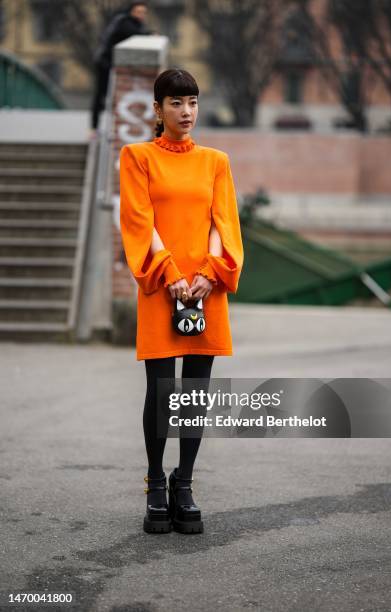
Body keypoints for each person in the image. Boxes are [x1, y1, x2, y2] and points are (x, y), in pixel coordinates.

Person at [119, 69, 244, 534]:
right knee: (160, 389)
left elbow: (223, 220)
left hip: (203, 286)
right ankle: (155, 482)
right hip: (161, 284)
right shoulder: (137, 157)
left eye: (191, 102)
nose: (186, 112)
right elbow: (138, 219)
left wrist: (210, 274)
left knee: (194, 392)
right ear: (158, 109)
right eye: (176, 103)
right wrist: (170, 273)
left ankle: (184, 483)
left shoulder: (216, 160)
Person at [90, 1, 154, 136]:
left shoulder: (131, 22)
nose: (141, 15)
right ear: (131, 12)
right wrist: (151, 35)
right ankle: (94, 127)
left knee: (108, 96)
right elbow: (134, 33)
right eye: (138, 12)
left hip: (111, 63)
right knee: (101, 94)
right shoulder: (124, 22)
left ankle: (99, 127)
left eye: (143, 12)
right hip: (105, 63)